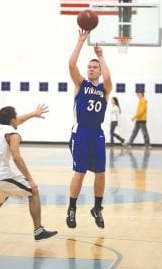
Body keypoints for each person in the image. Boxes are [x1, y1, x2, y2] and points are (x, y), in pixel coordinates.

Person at [0, 105, 58, 241]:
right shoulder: (13, 134)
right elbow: (16, 157)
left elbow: (17, 121)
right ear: (12, 120)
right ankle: (38, 230)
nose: (18, 119)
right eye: (16, 117)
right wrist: (30, 178)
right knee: (33, 190)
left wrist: (34, 113)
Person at [66, 30, 112, 229]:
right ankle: (72, 208)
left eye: (95, 67)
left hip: (97, 133)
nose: (92, 69)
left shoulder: (105, 89)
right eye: (90, 66)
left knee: (101, 173)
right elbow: (70, 64)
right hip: (81, 132)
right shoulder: (81, 84)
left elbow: (109, 78)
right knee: (80, 172)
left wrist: (101, 56)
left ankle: (97, 208)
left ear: (100, 71)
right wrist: (80, 42)